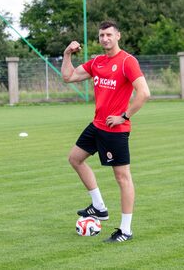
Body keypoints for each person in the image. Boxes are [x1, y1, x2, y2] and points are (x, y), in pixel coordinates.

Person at [61, 20, 150, 243]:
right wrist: (67, 54)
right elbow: (68, 77)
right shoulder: (97, 62)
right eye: (101, 35)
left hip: (115, 130)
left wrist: (124, 116)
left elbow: (144, 93)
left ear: (118, 36)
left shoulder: (127, 62)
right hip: (97, 125)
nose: (105, 39)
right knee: (75, 158)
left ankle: (126, 230)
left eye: (109, 35)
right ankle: (99, 207)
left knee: (122, 178)